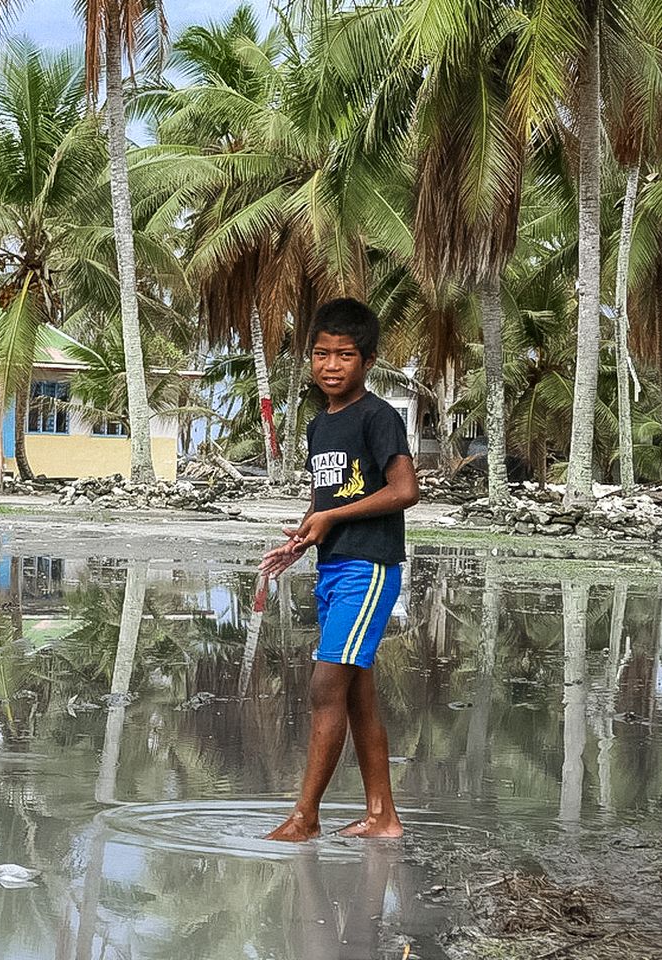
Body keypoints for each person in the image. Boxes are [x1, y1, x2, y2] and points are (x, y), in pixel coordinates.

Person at [260, 297, 419, 842]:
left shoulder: (379, 418)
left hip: (369, 568)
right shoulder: (318, 426)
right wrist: (302, 540)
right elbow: (324, 496)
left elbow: (405, 491)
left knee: (325, 688)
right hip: (332, 570)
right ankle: (383, 817)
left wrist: (329, 517)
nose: (331, 365)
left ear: (368, 360)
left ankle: (306, 817)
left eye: (345, 355)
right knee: (355, 695)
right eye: (322, 354)